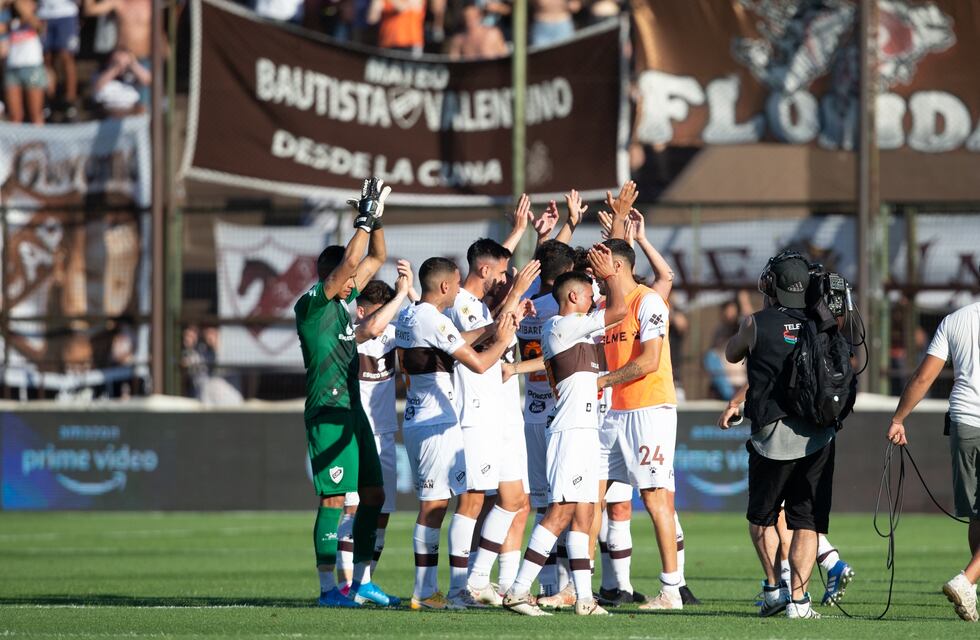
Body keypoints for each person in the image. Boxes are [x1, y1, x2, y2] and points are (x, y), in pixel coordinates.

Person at [502, 244, 626, 617]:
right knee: (561, 510)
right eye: (590, 294)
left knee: (585, 513)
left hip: (587, 430)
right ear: (574, 296)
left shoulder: (576, 332)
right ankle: (518, 591)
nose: (595, 298)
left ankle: (584, 599)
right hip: (571, 430)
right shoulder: (563, 324)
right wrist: (609, 275)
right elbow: (619, 309)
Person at [293, 176, 396, 608]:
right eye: (350, 276)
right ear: (334, 276)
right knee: (334, 497)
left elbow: (376, 255)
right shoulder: (313, 304)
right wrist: (364, 218)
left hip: (352, 413)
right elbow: (355, 257)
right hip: (327, 412)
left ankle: (362, 582)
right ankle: (327, 589)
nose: (359, 281)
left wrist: (377, 222)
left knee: (374, 494)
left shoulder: (341, 302)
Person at [718, 251, 837, 620]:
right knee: (808, 521)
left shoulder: (756, 322)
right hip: (818, 434)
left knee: (763, 517)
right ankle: (799, 603)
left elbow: (732, 353)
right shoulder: (825, 320)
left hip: (771, 434)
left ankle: (773, 589)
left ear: (772, 284)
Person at [395, 256, 518, 610]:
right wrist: (503, 339)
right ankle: (430, 591)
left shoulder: (413, 314)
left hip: (421, 418)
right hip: (436, 422)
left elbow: (452, 340)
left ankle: (438, 590)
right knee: (436, 506)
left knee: (443, 502)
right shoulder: (432, 319)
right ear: (446, 286)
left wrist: (493, 328)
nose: (459, 290)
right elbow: (478, 363)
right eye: (456, 283)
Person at [441, 239, 539, 608]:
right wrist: (515, 294)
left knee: (514, 499)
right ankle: (455, 590)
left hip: (498, 416)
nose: (503, 279)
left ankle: (480, 579)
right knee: (471, 501)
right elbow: (489, 343)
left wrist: (512, 305)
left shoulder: (479, 305)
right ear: (484, 270)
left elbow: (497, 328)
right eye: (499, 273)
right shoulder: (462, 304)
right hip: (475, 413)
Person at [887, 300, 980, 622]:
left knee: (976, 514)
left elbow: (924, 377)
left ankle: (972, 587)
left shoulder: (955, 320)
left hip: (964, 422)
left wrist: (899, 418)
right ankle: (967, 580)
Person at [335, 262, 418, 593]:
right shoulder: (349, 333)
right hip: (355, 434)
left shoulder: (393, 334)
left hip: (385, 433)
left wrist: (409, 290)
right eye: (378, 313)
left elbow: (428, 322)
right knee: (352, 508)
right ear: (362, 310)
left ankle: (364, 583)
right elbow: (369, 330)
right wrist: (397, 297)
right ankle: (344, 586)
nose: (384, 322)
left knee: (382, 512)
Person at [83, 0, 155, 106]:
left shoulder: (151, 3)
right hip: (122, 60)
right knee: (122, 103)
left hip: (145, 59)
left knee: (145, 107)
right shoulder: (118, 2)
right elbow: (90, 10)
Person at [3, 0, 47, 124]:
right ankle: (16, 143)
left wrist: (18, 4)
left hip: (32, 68)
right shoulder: (12, 22)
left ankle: (39, 142)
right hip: (12, 69)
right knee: (14, 116)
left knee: (35, 114)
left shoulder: (38, 19)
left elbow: (37, 25)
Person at [37, 0, 78, 120]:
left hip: (66, 14)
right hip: (43, 14)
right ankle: (48, 100)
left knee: (67, 57)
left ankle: (70, 102)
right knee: (46, 59)